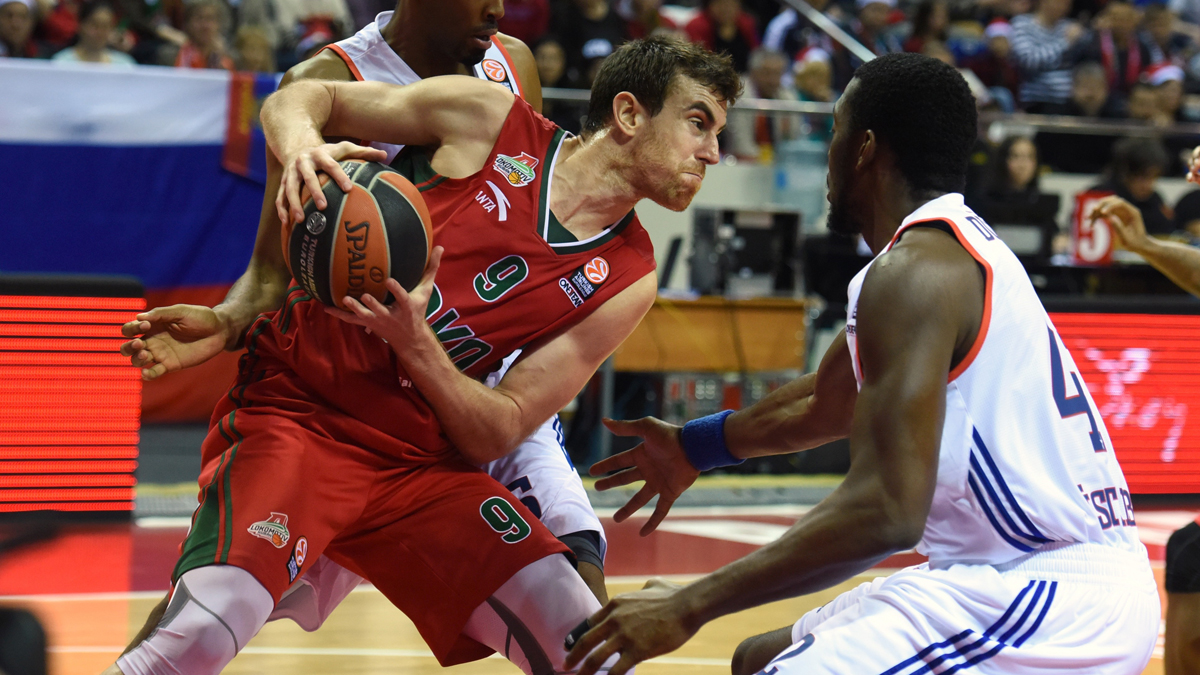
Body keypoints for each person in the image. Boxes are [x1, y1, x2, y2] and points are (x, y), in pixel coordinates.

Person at [109, 35, 740, 675]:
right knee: (201, 631)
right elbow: (303, 95)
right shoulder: (488, 117)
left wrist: (418, 345)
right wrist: (303, 149)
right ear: (630, 114)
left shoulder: (629, 278)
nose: (713, 151)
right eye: (699, 123)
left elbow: (500, 425)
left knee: (594, 652)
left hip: (420, 463)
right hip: (303, 415)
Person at [562, 52, 1158, 675]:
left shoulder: (916, 272)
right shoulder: (940, 252)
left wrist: (688, 605)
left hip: (1050, 591)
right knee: (757, 656)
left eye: (837, 131)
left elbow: (887, 513)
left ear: (866, 148)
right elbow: (829, 404)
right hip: (992, 577)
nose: (829, 153)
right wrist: (697, 447)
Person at [967, 136, 1062, 257]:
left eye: (1029, 157)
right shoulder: (984, 201)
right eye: (1016, 156)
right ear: (1003, 160)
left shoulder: (1041, 203)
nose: (1022, 165)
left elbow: (1054, 236)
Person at [1086, 136, 1173, 235]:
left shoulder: (1154, 199)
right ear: (1124, 172)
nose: (1148, 185)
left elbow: (1166, 233)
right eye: (1142, 176)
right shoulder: (1099, 195)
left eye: (1154, 178)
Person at [1010, 0, 1084, 111]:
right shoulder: (1022, 24)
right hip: (1035, 100)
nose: (1064, 7)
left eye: (1067, 4)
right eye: (1059, 2)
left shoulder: (1069, 27)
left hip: (1068, 101)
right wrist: (1065, 43)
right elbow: (1029, 61)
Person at [683, 0, 759, 74]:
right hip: (709, 76)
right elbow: (698, 60)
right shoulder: (696, 26)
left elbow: (756, 53)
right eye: (720, 3)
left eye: (731, 4)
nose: (726, 9)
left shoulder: (747, 23)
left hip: (746, 77)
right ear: (709, 5)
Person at [51, 0, 136, 64]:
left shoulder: (124, 64)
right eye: (95, 25)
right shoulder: (61, 62)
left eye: (105, 26)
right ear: (80, 25)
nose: (100, 32)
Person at [172, 0, 233, 70]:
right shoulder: (174, 54)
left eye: (210, 18)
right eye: (199, 18)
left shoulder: (226, 58)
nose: (205, 26)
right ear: (188, 23)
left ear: (218, 24)